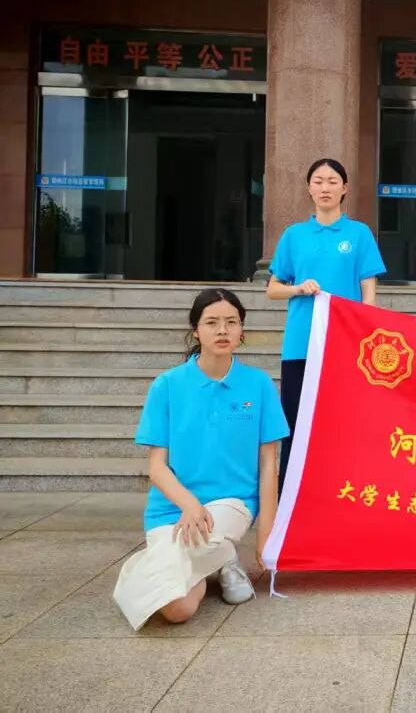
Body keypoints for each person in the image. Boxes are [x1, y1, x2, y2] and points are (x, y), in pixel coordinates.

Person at [113, 289, 290, 630]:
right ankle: (221, 559)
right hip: (172, 509)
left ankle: (214, 555)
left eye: (231, 322)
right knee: (178, 610)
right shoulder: (167, 385)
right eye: (211, 322)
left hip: (233, 504)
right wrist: (190, 505)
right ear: (196, 330)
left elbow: (269, 465)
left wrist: (267, 535)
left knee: (198, 544)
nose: (222, 330)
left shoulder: (258, 384)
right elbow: (157, 467)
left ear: (241, 330)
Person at [266, 158, 386, 493]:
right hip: (301, 344)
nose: (325, 188)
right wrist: (298, 288)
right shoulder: (294, 235)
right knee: (295, 423)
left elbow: (369, 293)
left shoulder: (359, 234)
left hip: (344, 345)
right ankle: (291, 498)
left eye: (332, 181)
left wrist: (365, 333)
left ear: (344, 188)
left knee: (343, 424)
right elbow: (273, 289)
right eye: (318, 181)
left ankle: (340, 493)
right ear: (309, 188)